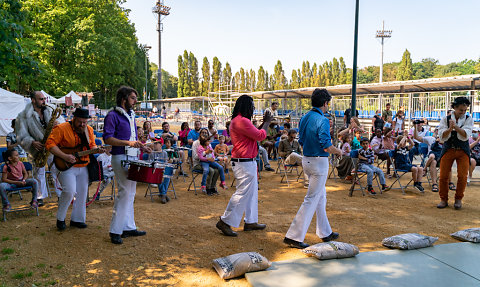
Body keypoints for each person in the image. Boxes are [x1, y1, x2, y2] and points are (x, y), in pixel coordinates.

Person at [284, 88, 342, 249]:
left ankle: (325, 232)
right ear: (325, 103)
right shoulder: (322, 119)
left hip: (307, 160)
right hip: (318, 162)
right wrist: (339, 151)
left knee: (320, 196)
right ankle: (294, 236)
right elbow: (326, 146)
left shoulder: (305, 117)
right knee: (312, 198)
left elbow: (301, 140)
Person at [216, 94, 272, 237]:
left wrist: (263, 125)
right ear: (246, 106)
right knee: (242, 193)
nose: (253, 108)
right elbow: (260, 136)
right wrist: (266, 122)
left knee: (252, 193)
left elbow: (254, 134)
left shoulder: (240, 120)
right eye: (252, 106)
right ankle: (225, 221)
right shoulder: (242, 121)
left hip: (247, 161)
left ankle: (251, 221)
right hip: (244, 162)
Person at [103, 86, 151, 244]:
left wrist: (142, 146)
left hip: (132, 156)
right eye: (133, 98)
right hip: (120, 156)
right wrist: (128, 142)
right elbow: (108, 139)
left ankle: (128, 227)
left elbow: (133, 138)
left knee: (130, 193)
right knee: (124, 193)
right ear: (124, 99)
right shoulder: (112, 115)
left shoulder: (131, 115)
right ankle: (115, 230)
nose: (135, 101)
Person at [46, 108, 100, 231]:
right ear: (74, 119)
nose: (82, 125)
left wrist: (97, 149)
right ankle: (60, 218)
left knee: (82, 193)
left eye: (85, 122)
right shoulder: (62, 128)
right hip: (66, 166)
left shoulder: (89, 130)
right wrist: (64, 156)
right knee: (69, 191)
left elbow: (92, 146)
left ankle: (77, 219)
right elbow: (50, 144)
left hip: (84, 165)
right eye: (80, 122)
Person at [16, 91, 65, 207]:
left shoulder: (51, 110)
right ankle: (40, 197)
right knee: (39, 173)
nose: (44, 101)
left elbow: (64, 125)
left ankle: (61, 194)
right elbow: (20, 134)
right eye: (41, 99)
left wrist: (58, 125)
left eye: (44, 99)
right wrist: (31, 142)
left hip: (52, 145)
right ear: (33, 100)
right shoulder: (23, 116)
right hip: (37, 148)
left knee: (56, 170)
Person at [437, 97, 473, 209]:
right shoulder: (445, 119)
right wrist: (450, 128)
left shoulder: (468, 118)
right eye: (461, 110)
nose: (463, 112)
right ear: (455, 108)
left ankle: (458, 199)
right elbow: (442, 136)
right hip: (448, 149)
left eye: (465, 110)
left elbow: (466, 134)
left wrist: (455, 127)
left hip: (463, 150)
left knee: (462, 176)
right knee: (443, 176)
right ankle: (443, 199)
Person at [192, 128, 220, 195]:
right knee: (211, 171)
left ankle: (212, 187)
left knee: (217, 170)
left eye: (206, 133)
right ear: (200, 134)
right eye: (203, 133)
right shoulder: (195, 143)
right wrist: (205, 153)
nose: (204, 134)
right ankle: (208, 188)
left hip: (207, 162)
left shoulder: (208, 144)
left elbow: (211, 154)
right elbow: (195, 157)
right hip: (198, 163)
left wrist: (212, 158)